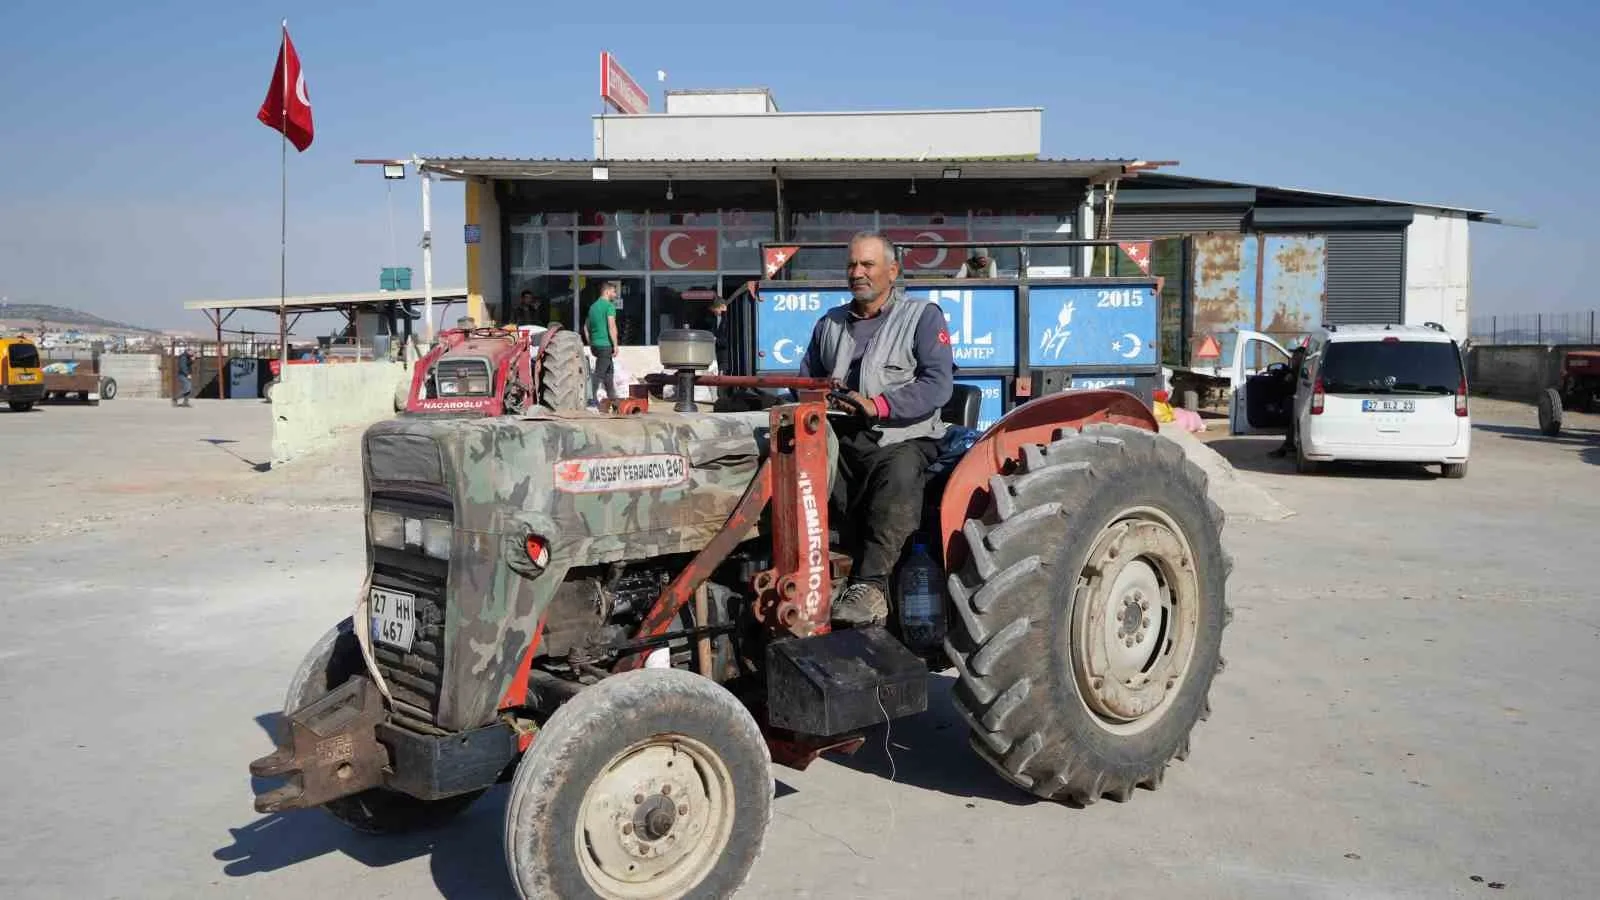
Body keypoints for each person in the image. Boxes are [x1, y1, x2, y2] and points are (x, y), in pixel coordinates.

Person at [799, 232, 954, 626]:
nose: (858, 273)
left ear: (892, 271)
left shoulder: (922, 316)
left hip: (903, 435)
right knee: (795, 464)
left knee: (899, 470)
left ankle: (870, 587)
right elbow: (806, 381)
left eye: (867, 265)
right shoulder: (830, 323)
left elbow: (938, 385)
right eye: (852, 265)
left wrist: (879, 405)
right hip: (844, 434)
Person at [583, 280, 621, 408]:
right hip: (605, 345)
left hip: (596, 346)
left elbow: (585, 327)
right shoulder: (609, 306)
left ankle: (614, 401)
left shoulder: (593, 307)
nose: (615, 294)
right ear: (607, 291)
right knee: (599, 373)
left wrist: (591, 342)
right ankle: (590, 400)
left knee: (609, 374)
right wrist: (615, 345)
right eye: (614, 292)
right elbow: (611, 326)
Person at [1269, 344, 1309, 458]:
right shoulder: (1298, 369)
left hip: (1301, 400)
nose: (1293, 359)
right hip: (1297, 398)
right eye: (1294, 356)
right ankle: (1288, 445)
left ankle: (1287, 445)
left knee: (1291, 418)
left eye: (1296, 357)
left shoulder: (1302, 370)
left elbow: (1292, 385)